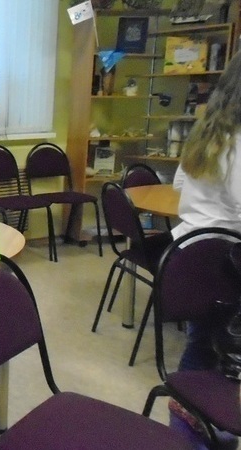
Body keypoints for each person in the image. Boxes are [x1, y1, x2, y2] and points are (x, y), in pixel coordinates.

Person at [168, 50, 241, 450]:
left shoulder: (208, 131)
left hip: (190, 255)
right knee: (219, 351)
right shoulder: (239, 140)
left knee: (200, 345)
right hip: (221, 263)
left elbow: (180, 185)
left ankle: (188, 424)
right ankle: (209, 426)